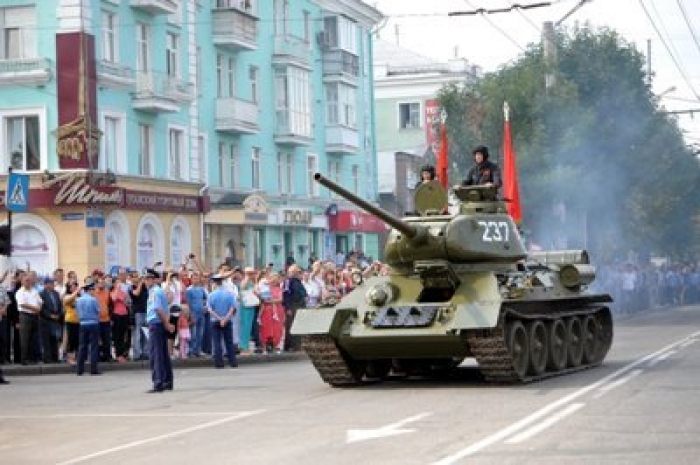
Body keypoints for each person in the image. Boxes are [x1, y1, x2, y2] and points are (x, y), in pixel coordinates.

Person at [145, 269, 174, 393]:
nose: (146, 281)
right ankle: (167, 381)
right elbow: (164, 309)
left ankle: (158, 382)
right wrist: (166, 323)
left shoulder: (155, 292)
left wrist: (166, 324)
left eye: (149, 279)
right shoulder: (158, 291)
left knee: (156, 355)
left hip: (156, 324)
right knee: (163, 354)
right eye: (146, 279)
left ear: (155, 279)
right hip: (159, 324)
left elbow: (157, 309)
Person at [207, 274, 238, 368]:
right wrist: (225, 319)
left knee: (217, 342)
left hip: (215, 320)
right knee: (229, 341)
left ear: (214, 283)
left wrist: (219, 318)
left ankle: (219, 363)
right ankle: (233, 362)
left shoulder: (211, 295)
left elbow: (210, 309)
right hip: (227, 320)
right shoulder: (229, 294)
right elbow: (232, 308)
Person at [75, 281, 101, 376]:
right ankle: (93, 369)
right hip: (93, 323)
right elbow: (98, 311)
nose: (94, 291)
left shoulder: (78, 300)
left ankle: (79, 370)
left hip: (82, 323)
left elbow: (77, 312)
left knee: (82, 346)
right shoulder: (93, 300)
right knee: (93, 347)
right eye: (93, 289)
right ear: (89, 290)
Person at [39, 277, 63, 364]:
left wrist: (59, 315)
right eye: (50, 283)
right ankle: (47, 358)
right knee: (46, 340)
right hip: (46, 320)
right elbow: (41, 308)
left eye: (53, 283)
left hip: (55, 320)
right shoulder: (41, 294)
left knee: (54, 339)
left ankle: (55, 357)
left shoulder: (56, 294)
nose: (52, 285)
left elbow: (60, 306)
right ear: (46, 285)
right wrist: (50, 315)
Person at [0, 276, 10, 384]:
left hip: (1, 319)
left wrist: (3, 309)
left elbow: (7, 301)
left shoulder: (1, 288)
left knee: (2, 344)